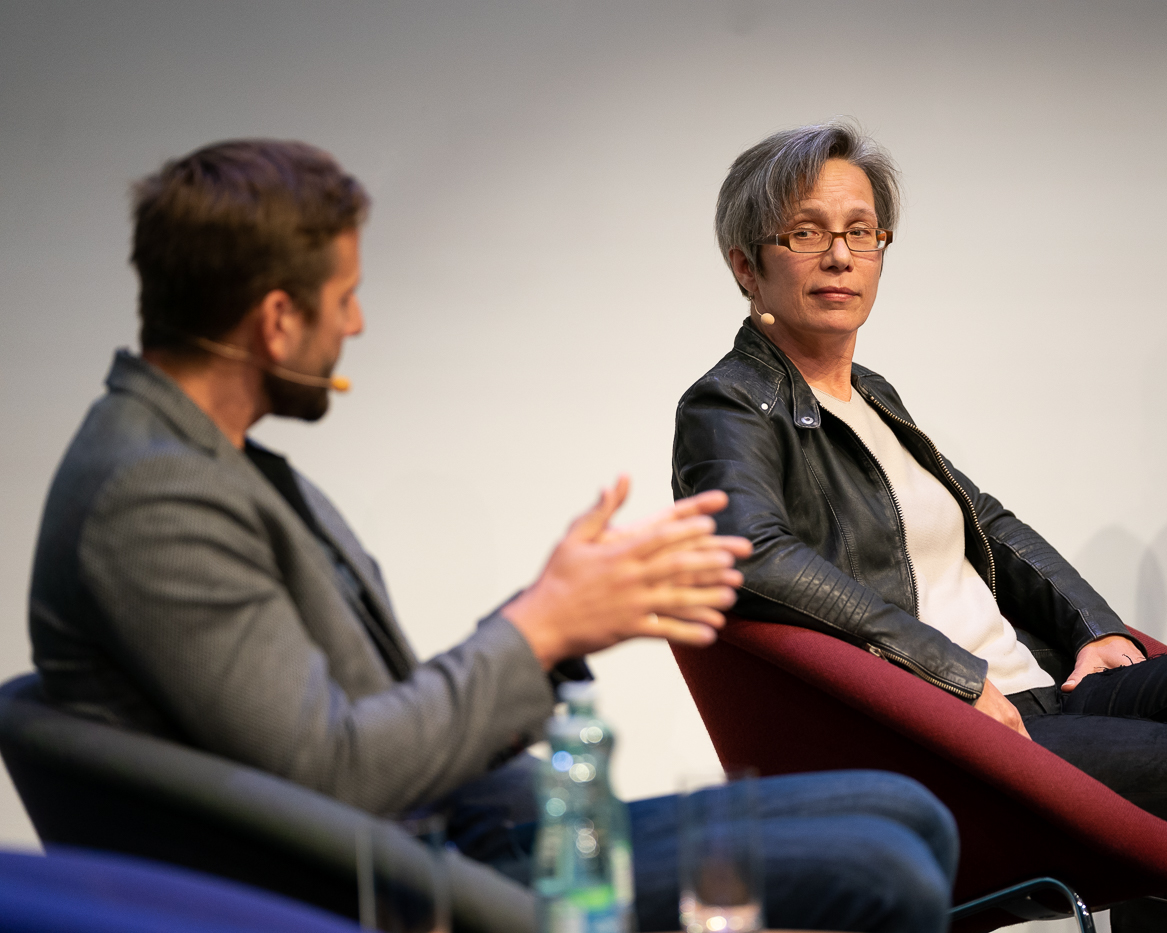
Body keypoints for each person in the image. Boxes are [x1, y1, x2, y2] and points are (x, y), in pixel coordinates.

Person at [28, 139, 957, 933]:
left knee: (909, 810)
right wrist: (543, 626)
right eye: (344, 298)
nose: (356, 323)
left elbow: (363, 709)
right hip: (400, 876)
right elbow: (336, 770)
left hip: (459, 819)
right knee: (886, 869)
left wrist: (560, 615)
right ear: (277, 321)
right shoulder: (152, 497)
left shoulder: (210, 460)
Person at [672, 120, 1167, 933]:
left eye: (861, 232)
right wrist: (954, 676)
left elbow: (988, 521)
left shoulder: (871, 393)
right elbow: (754, 555)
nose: (841, 257)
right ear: (748, 265)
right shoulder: (730, 403)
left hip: (1042, 696)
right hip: (949, 735)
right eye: (807, 233)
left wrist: (1094, 626)